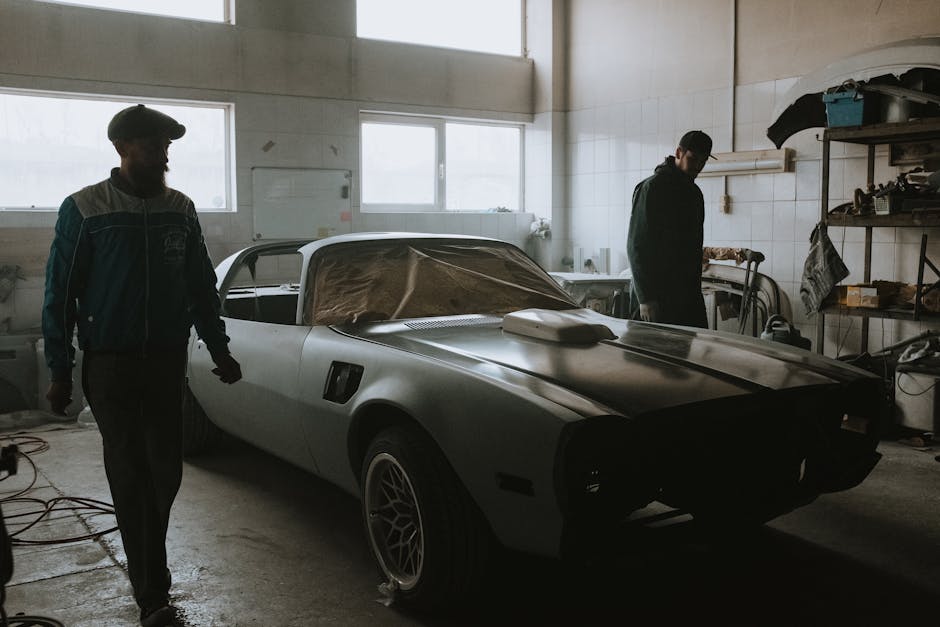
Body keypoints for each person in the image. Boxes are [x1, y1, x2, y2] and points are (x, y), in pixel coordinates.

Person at [42, 104, 242, 627]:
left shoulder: (180, 208)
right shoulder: (85, 208)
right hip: (110, 365)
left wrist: (219, 350)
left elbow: (200, 286)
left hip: (164, 363)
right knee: (131, 472)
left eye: (166, 144)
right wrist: (60, 370)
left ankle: (149, 567)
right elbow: (60, 294)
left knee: (165, 471)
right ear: (121, 148)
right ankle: (153, 591)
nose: (162, 152)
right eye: (151, 143)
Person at [626, 130, 715, 328]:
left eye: (703, 161)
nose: (698, 166)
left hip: (687, 297)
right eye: (693, 159)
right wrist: (645, 298)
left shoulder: (694, 193)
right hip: (656, 297)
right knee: (653, 356)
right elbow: (636, 246)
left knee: (685, 356)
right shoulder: (653, 188)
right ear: (678, 153)